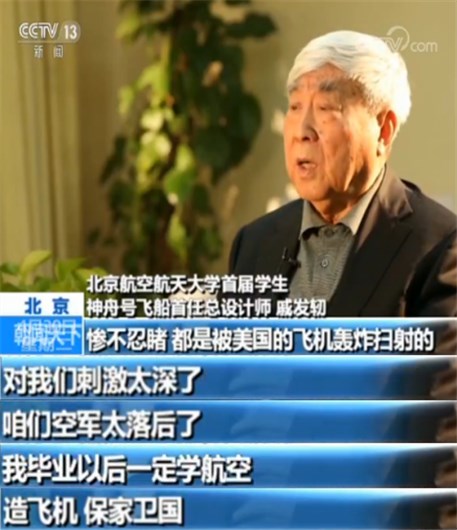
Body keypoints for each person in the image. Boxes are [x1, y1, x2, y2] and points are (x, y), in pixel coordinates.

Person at [227, 31, 456, 350]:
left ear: (384, 130)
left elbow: (432, 380)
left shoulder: (441, 248)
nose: (302, 131)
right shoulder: (254, 243)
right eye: (295, 106)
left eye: (326, 107)